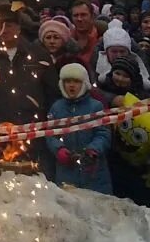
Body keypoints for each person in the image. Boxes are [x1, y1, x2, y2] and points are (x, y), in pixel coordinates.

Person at [0, 13, 51, 127]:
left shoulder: (38, 55)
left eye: (8, 26)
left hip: (34, 125)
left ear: (18, 28)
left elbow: (50, 91)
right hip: (0, 126)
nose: (4, 30)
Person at [45, 63, 111, 194]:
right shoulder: (56, 107)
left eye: (76, 81)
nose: (71, 85)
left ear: (84, 83)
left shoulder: (96, 106)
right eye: (67, 81)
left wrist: (94, 149)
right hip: (66, 173)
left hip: (93, 174)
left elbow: (103, 133)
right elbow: (50, 134)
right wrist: (59, 149)